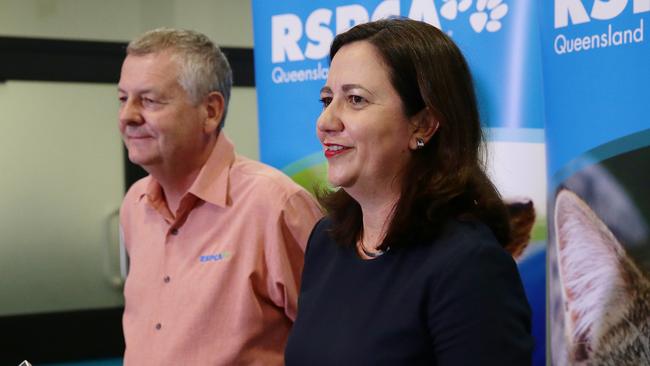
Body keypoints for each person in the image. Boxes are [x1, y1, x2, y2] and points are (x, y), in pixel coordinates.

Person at [285, 18, 533, 365]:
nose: (326, 121)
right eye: (326, 100)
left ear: (424, 124)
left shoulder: (468, 264)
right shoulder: (325, 241)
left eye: (355, 100)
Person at [117, 28, 322, 365]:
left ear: (210, 111)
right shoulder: (134, 205)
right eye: (123, 98)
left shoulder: (274, 204)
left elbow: (334, 341)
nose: (128, 116)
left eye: (149, 100)